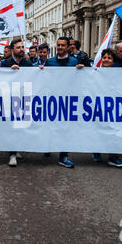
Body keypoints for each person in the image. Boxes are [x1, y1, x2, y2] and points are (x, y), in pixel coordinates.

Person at [40, 37, 85, 168]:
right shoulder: (50, 61)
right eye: (58, 45)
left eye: (62, 45)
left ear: (68, 47)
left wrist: (82, 70)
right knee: (50, 125)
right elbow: (44, 79)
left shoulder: (74, 62)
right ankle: (47, 146)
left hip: (67, 101)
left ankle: (63, 156)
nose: (59, 47)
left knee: (66, 128)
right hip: (53, 99)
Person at [91, 49, 122, 168]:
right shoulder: (94, 72)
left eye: (109, 58)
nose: (106, 60)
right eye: (105, 57)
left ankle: (113, 157)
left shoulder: (119, 73)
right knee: (98, 129)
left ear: (113, 60)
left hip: (113, 107)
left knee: (114, 131)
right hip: (98, 106)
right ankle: (96, 151)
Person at [0, 39, 32, 167]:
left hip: (22, 98)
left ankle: (16, 148)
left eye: (23, 47)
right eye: (19, 47)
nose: (22, 49)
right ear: (13, 49)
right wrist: (9, 72)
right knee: (11, 126)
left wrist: (41, 70)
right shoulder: (5, 63)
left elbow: (33, 77)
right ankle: (12, 154)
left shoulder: (27, 63)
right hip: (9, 98)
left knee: (20, 125)